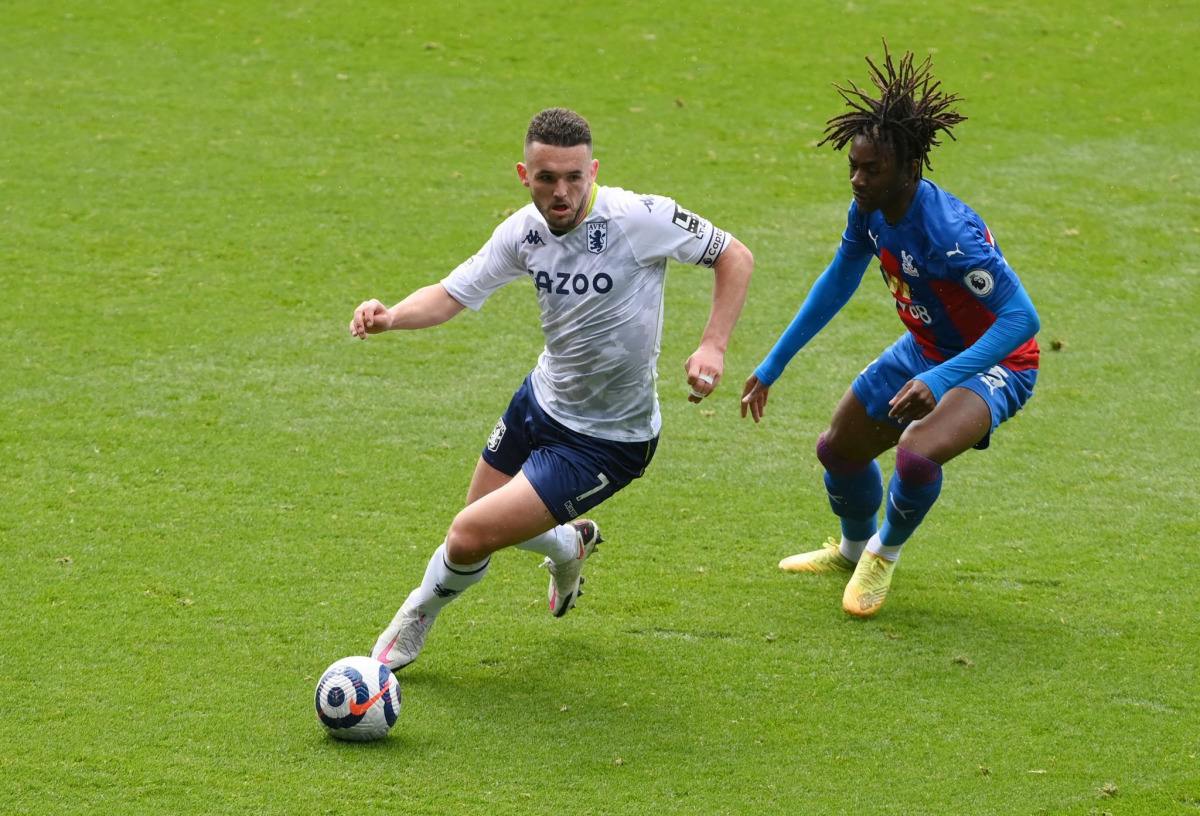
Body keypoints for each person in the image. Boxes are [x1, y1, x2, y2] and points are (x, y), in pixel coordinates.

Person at [351, 107, 754, 669]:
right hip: (539, 403)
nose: (561, 192)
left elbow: (733, 255)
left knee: (468, 535)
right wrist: (390, 316)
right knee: (478, 524)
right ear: (524, 175)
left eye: (574, 177)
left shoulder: (640, 217)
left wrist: (713, 344)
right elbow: (452, 293)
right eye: (546, 179)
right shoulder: (524, 232)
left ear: (594, 170)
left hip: (606, 440)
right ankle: (571, 543)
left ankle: (417, 615)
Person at [741, 42, 1040, 617]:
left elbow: (1022, 320)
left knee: (916, 455)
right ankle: (852, 550)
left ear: (909, 168)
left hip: (997, 361)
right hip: (927, 349)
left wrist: (945, 378)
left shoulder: (951, 235)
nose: (856, 179)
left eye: (870, 169)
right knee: (840, 450)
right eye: (852, 166)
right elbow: (837, 280)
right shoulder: (871, 208)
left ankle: (883, 554)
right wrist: (773, 363)